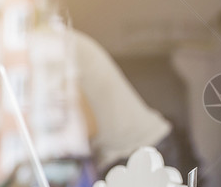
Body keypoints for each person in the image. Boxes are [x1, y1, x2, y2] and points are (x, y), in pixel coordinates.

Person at [70, 30, 197, 177]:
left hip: (138, 153)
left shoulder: (53, 50)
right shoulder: (63, 43)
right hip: (147, 147)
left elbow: (87, 128)